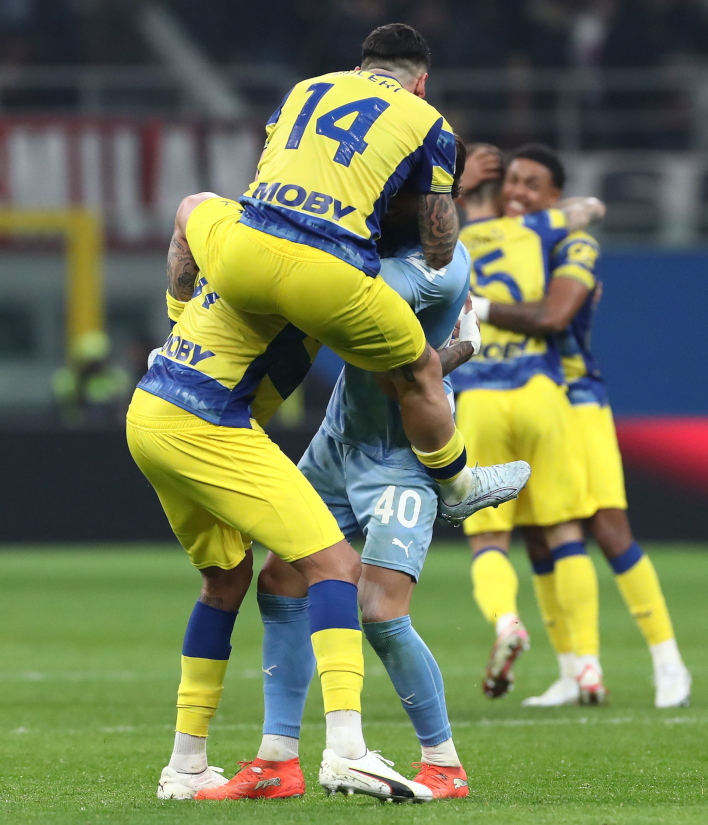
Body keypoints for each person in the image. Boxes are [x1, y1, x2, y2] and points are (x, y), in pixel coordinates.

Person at [129, 24, 528, 801]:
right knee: (337, 569)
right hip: (240, 420)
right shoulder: (371, 272)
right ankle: (345, 744)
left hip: (161, 402)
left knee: (255, 581)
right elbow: (407, 357)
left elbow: (193, 207)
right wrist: (462, 346)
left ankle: (207, 764)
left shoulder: (267, 178)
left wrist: (179, 314)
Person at [194, 187, 481, 802]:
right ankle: (277, 760)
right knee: (281, 580)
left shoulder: (412, 277)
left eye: (387, 190)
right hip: (338, 440)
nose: (367, 198)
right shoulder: (403, 253)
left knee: (379, 609)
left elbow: (367, 340)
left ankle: (444, 764)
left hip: (398, 459)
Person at [464, 144, 692, 709]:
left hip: (577, 397)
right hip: (535, 397)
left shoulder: (572, 242)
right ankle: (573, 670)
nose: (518, 192)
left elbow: (553, 314)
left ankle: (668, 661)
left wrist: (479, 306)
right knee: (541, 534)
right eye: (513, 180)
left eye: (532, 184)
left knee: (608, 530)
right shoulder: (513, 236)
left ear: (554, 196)